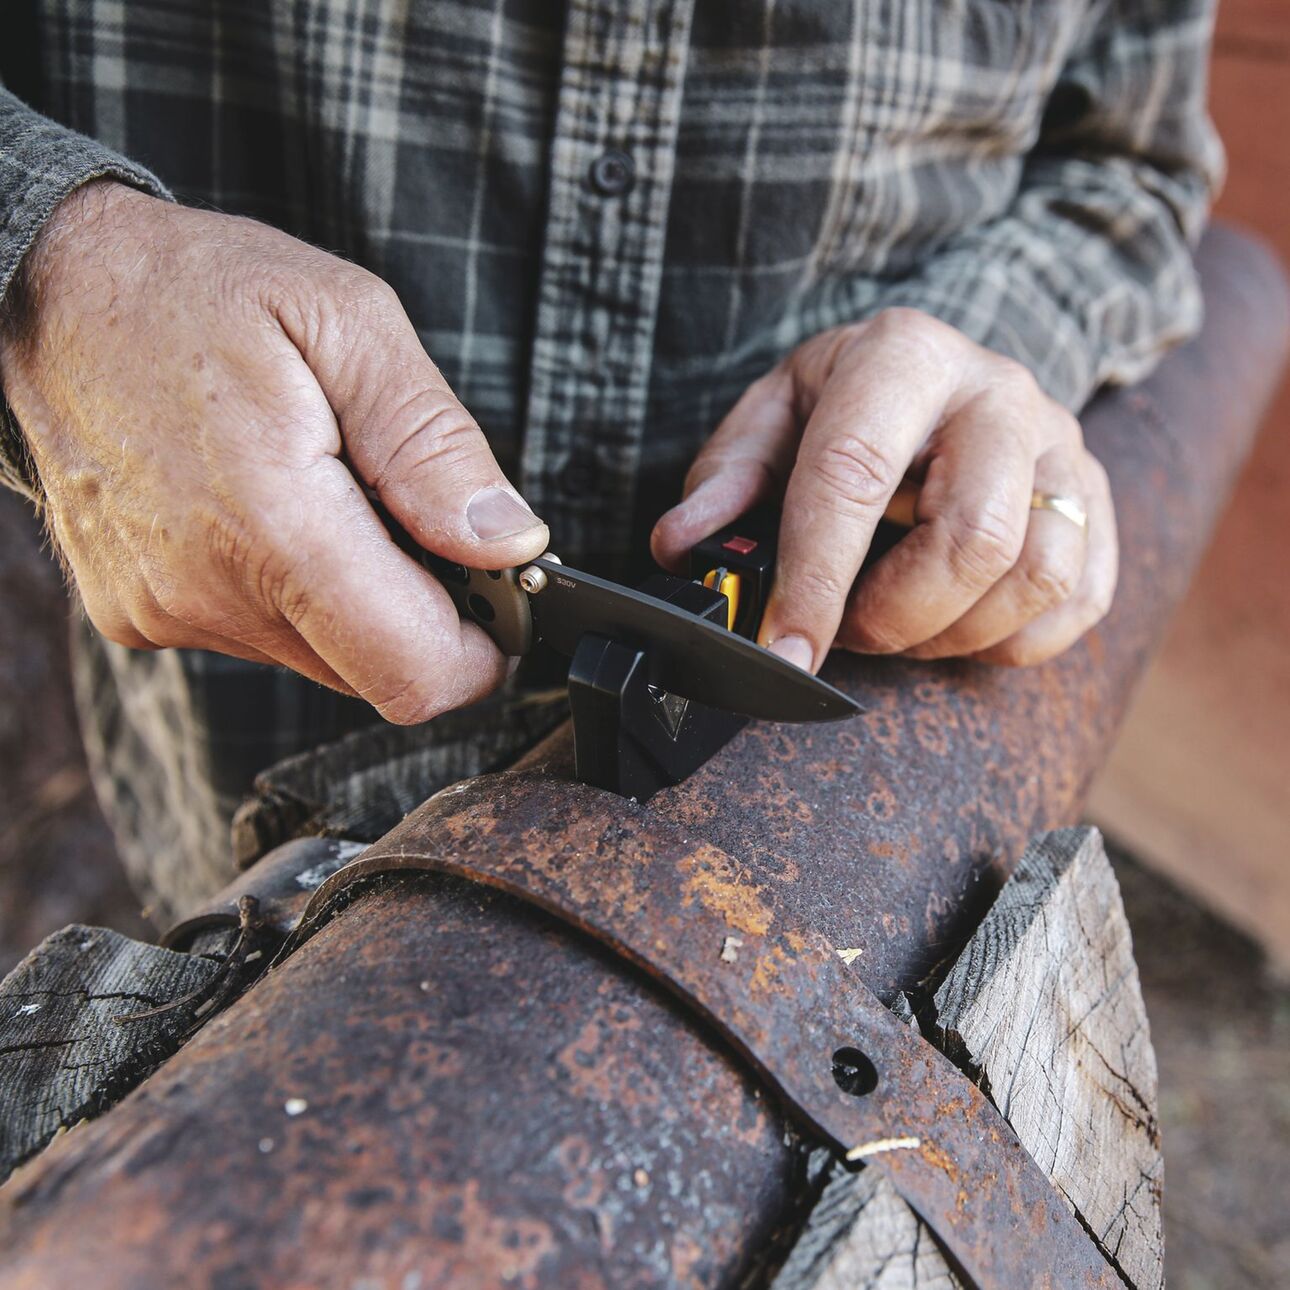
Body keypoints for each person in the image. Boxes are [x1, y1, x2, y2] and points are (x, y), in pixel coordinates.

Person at [0, 2, 1221, 917]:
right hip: (251, 797)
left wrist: (976, 355)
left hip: (791, 849)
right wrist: (53, 278)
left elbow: (1131, 170)